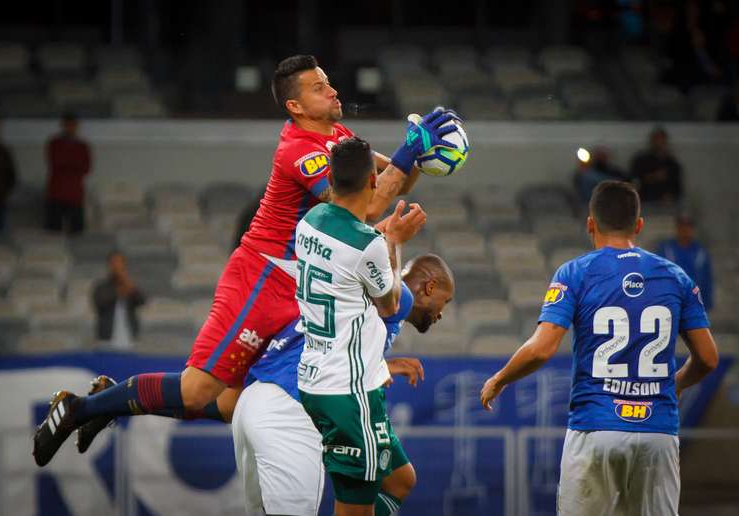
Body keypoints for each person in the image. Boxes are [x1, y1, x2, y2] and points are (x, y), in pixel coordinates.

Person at [32, 55, 458, 467]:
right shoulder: (299, 150)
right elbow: (358, 209)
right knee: (198, 390)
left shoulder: (339, 136)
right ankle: (83, 407)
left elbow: (391, 185)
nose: (332, 91)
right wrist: (406, 153)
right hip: (263, 278)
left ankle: (112, 402)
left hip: (300, 283)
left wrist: (419, 154)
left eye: (328, 82)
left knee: (235, 402)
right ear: (295, 106)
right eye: (319, 87)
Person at [480, 180, 719, 516]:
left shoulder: (576, 272)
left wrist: (501, 378)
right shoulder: (675, 276)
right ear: (639, 225)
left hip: (596, 426)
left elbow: (541, 349)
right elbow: (708, 358)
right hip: (658, 432)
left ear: (590, 223)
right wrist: (675, 384)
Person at [233, 254, 454, 516]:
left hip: (258, 396)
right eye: (445, 301)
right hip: (291, 404)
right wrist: (381, 367)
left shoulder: (366, 305)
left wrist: (379, 366)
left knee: (400, 479)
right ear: (430, 287)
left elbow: (336, 334)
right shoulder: (399, 298)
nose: (442, 312)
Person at [294, 136, 426, 516]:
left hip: (317, 377)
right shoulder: (368, 243)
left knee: (401, 480)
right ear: (373, 180)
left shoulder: (310, 222)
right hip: (348, 392)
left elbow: (347, 259)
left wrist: (381, 238)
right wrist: (394, 240)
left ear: (331, 179)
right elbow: (391, 305)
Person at [45, 113, 92, 234]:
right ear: (62, 125)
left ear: (77, 126)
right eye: (67, 125)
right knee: (53, 233)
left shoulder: (83, 146)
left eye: (73, 125)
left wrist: (68, 162)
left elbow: (86, 168)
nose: (70, 127)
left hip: (75, 194)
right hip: (57, 193)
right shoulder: (54, 143)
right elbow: (56, 162)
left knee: (77, 233)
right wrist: (74, 163)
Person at [656, 214, 714, 311]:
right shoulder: (666, 249)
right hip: (670, 303)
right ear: (677, 228)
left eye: (688, 226)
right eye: (682, 226)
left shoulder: (700, 252)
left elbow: (707, 280)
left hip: (694, 305)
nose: (685, 230)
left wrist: (706, 306)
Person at [92, 251, 147, 348]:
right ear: (109, 266)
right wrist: (118, 292)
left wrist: (128, 283)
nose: (117, 266)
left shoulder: (129, 285)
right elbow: (99, 303)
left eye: (120, 263)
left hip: (129, 338)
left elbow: (142, 301)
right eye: (114, 263)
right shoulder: (101, 286)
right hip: (107, 339)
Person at [629, 126, 683, 207]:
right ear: (652, 140)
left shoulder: (672, 163)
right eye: (656, 139)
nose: (659, 142)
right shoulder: (641, 160)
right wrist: (652, 177)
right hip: (644, 202)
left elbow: (677, 187)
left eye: (662, 139)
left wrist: (671, 195)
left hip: (666, 205)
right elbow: (633, 180)